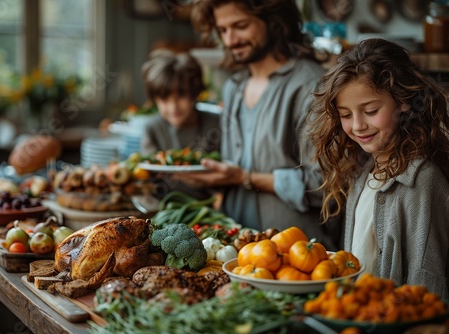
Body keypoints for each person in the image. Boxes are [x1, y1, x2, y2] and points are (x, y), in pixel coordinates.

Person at [187, 0, 340, 250]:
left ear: (273, 21)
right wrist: (209, 177)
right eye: (223, 30)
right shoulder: (234, 88)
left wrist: (245, 178)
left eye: (240, 26)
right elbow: (233, 169)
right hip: (233, 251)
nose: (230, 40)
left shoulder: (310, 85)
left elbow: (326, 187)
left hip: (296, 255)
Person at [308, 38, 449, 299]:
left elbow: (428, 283)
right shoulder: (364, 173)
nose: (358, 126)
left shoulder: (422, 181)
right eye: (346, 115)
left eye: (370, 111)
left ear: (404, 102)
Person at [140, 49, 221, 199]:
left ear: (195, 92)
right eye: (164, 99)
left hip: (208, 206)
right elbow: (148, 176)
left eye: (181, 96)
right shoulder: (152, 128)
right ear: (154, 99)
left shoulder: (216, 125)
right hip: (163, 205)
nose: (173, 107)